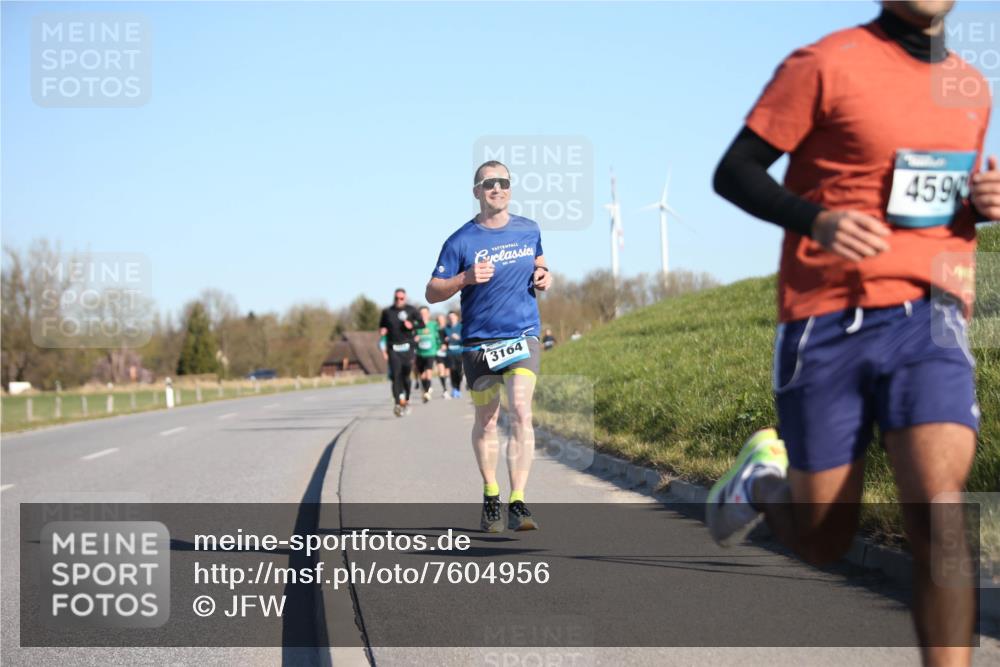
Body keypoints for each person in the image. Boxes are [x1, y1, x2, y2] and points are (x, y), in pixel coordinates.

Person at [707, 2, 993, 664]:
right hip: (827, 317)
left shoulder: (972, 87)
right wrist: (816, 220)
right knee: (822, 538)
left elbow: (930, 199)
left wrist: (976, 204)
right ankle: (761, 482)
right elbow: (735, 171)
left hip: (929, 315)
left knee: (943, 514)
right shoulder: (826, 63)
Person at [426, 160, 552, 532]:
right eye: (489, 183)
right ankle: (491, 494)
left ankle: (519, 501)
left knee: (521, 412)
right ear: (477, 191)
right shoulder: (459, 241)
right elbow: (432, 291)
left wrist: (544, 274)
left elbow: (540, 261)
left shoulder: (529, 229)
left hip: (522, 336)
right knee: (487, 420)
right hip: (479, 344)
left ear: (510, 188)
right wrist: (464, 278)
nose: (497, 188)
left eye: (503, 182)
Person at [379, 289, 424, 417]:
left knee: (405, 375)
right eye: (396, 298)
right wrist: (382, 331)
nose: (399, 300)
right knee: (395, 375)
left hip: (407, 347)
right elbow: (382, 327)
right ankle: (398, 403)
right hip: (393, 348)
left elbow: (422, 324)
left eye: (401, 298)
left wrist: (412, 325)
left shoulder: (411, 310)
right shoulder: (387, 312)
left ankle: (407, 398)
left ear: (405, 298)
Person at [414, 305, 441, 403]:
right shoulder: (416, 325)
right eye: (422, 313)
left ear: (428, 314)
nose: (423, 315)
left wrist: (439, 346)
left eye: (425, 313)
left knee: (428, 371)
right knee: (422, 374)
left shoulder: (433, 324)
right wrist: (415, 339)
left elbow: (438, 337)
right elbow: (411, 336)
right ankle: (425, 389)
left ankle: (427, 392)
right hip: (419, 353)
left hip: (430, 352)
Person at [444, 310, 464, 398]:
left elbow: (465, 339)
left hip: (459, 352)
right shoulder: (446, 328)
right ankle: (454, 388)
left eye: (453, 317)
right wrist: (445, 341)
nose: (451, 318)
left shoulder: (461, 327)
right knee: (452, 370)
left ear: (456, 317)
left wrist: (458, 338)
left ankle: (458, 388)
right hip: (450, 352)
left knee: (459, 372)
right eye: (450, 317)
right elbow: (442, 340)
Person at [435, 313, 451, 398]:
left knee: (447, 372)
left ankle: (447, 386)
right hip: (438, 352)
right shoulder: (435, 329)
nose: (441, 321)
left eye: (442, 319)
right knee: (441, 371)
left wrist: (447, 343)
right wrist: (440, 345)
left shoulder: (448, 328)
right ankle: (445, 390)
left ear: (444, 320)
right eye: (439, 320)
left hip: (448, 352)